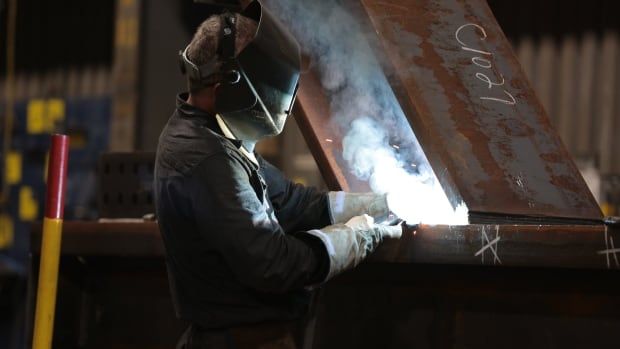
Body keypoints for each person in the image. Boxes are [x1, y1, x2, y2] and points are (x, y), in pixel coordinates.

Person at [154, 1, 402, 348]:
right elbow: (273, 263)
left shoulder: (218, 138)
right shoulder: (205, 158)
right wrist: (355, 238)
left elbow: (292, 202)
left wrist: (382, 204)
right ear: (231, 84)